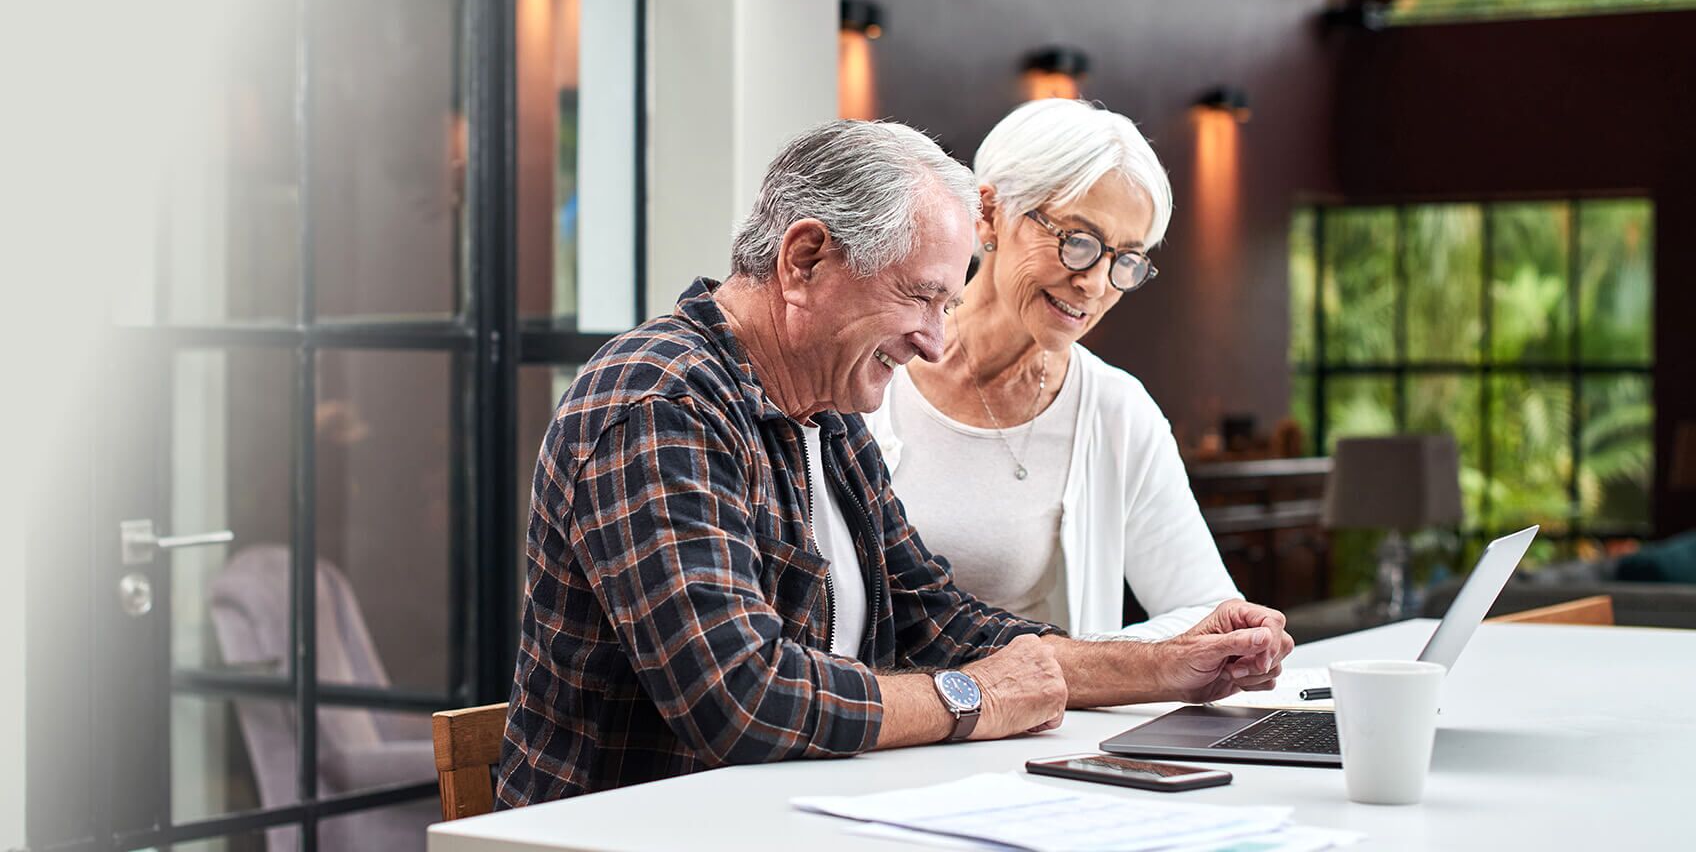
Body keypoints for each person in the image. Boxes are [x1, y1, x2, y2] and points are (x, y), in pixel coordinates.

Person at [497, 119, 1293, 806]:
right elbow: (742, 701)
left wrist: (1173, 666)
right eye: (921, 297)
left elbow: (939, 618)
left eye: (948, 305)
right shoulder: (658, 401)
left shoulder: (826, 410)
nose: (935, 342)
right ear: (804, 260)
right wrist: (976, 695)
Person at [866, 99, 1237, 638]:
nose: (1096, 284)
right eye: (1078, 242)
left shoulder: (1115, 410)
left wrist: (1081, 667)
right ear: (989, 214)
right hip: (873, 715)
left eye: (1125, 259)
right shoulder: (869, 370)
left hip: (1039, 722)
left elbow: (1209, 613)